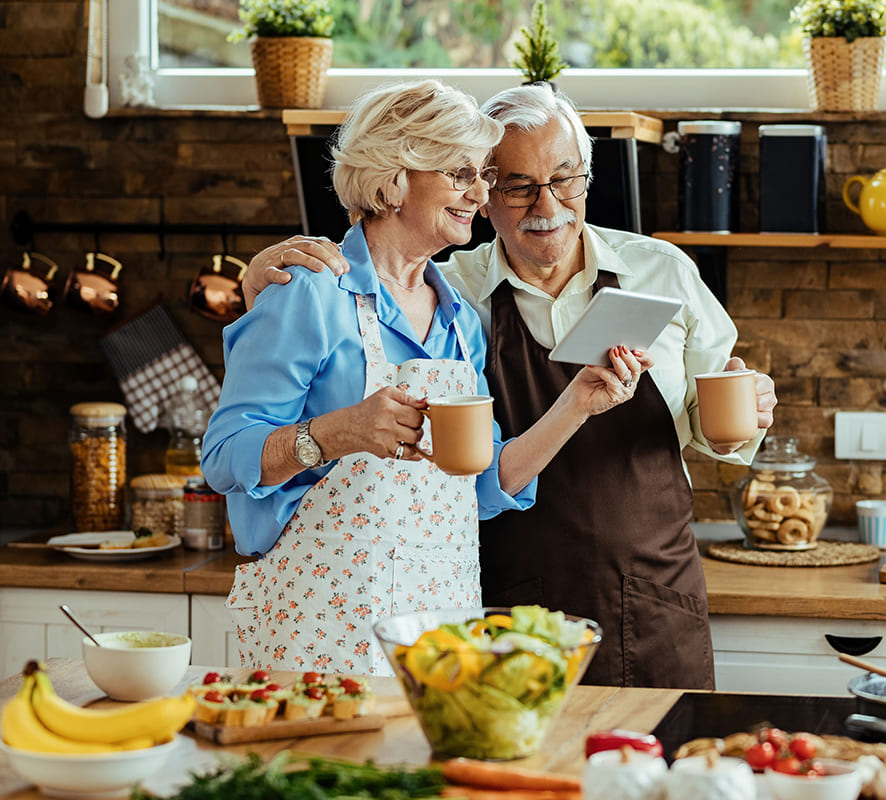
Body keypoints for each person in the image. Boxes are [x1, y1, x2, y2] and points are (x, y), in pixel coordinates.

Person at [240, 83, 777, 689]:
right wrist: (262, 283)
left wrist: (745, 405)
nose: (547, 205)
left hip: (652, 593)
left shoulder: (658, 273)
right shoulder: (451, 289)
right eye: (515, 186)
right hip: (501, 599)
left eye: (565, 179)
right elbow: (255, 419)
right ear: (488, 198)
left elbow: (713, 421)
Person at [201, 80, 650, 676]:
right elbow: (224, 457)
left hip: (438, 629)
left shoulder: (459, 319)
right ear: (393, 179)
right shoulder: (307, 294)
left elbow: (483, 485)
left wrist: (575, 404)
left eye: (483, 175)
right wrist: (340, 432)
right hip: (318, 633)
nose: (481, 192)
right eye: (461, 173)